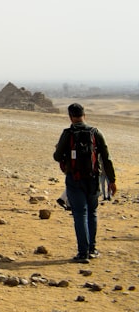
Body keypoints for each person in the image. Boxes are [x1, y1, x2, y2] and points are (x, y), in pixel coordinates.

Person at [53, 103, 117, 263]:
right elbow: (107, 158)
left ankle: (82, 253)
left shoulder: (68, 133)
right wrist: (112, 180)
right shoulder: (95, 133)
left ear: (70, 117)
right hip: (93, 179)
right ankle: (93, 250)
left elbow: (57, 156)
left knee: (80, 214)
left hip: (74, 179)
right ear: (84, 115)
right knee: (92, 213)